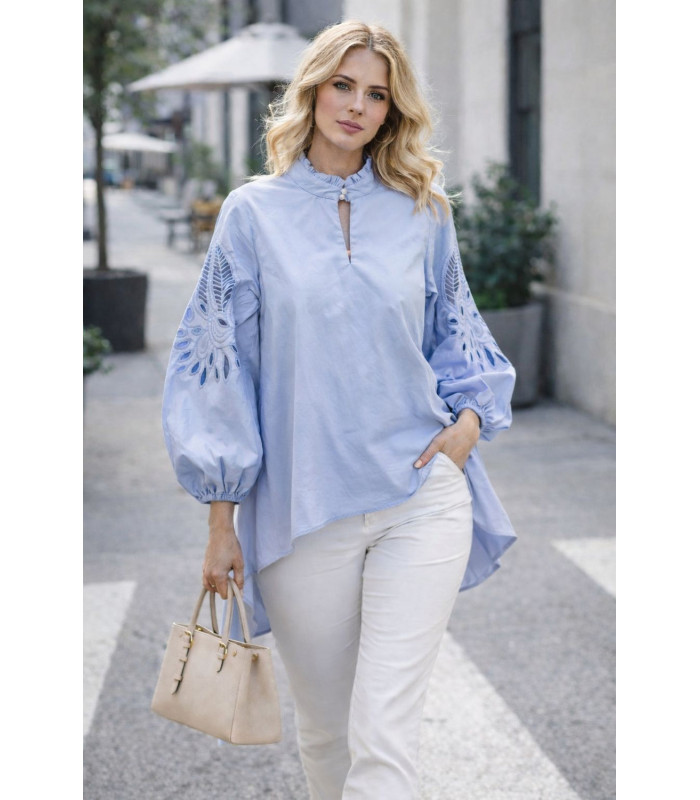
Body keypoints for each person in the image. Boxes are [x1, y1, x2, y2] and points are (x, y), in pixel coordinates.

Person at [162, 19, 516, 800]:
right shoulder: (251, 215)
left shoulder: (424, 212)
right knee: (327, 735)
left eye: (377, 95)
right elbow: (218, 368)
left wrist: (466, 426)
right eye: (343, 85)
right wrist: (222, 520)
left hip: (420, 498)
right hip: (303, 509)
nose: (357, 105)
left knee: (383, 736)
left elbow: (457, 331)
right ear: (313, 91)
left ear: (393, 111)